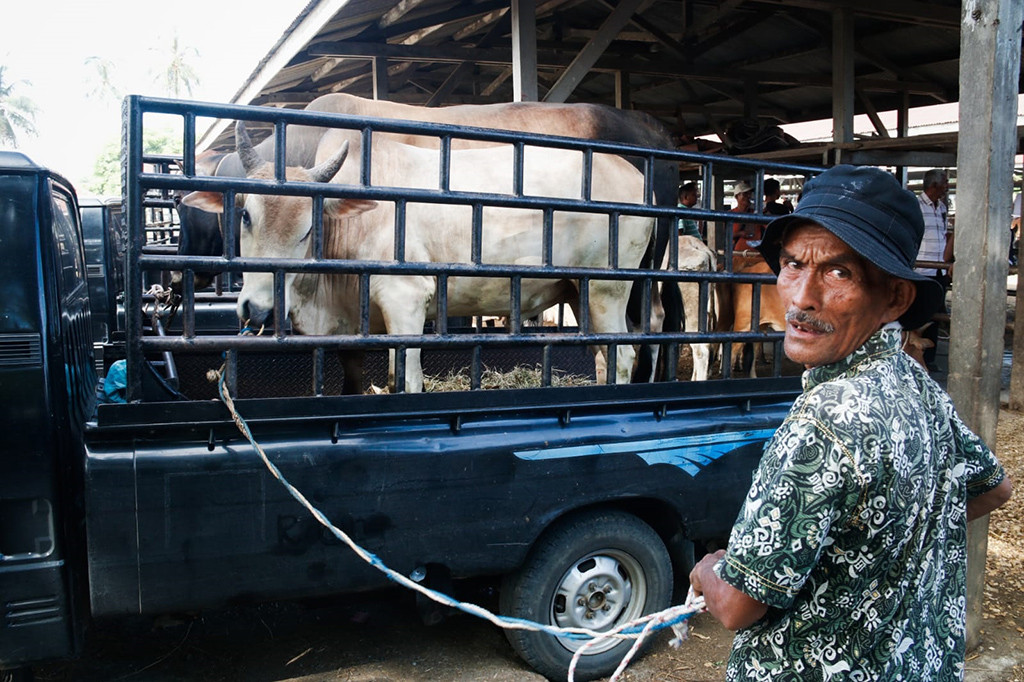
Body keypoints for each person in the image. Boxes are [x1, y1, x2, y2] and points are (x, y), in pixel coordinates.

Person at [689, 165, 1012, 681]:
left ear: (894, 300)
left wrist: (709, 569)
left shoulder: (823, 424)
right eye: (793, 265)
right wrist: (878, 555)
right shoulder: (913, 379)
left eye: (840, 273)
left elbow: (736, 606)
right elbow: (994, 488)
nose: (800, 298)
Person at [915, 168, 953, 371]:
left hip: (938, 269)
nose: (947, 187)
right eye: (945, 183)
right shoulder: (916, 206)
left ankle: (928, 359)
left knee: (936, 316)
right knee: (920, 313)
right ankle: (915, 357)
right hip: (921, 270)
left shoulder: (942, 208)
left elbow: (944, 235)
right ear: (934, 185)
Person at [731, 180, 761, 252]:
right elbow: (723, 235)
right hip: (737, 255)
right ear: (737, 197)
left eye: (749, 194)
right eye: (745, 194)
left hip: (755, 255)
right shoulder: (730, 214)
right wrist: (740, 234)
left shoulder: (756, 214)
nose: (748, 196)